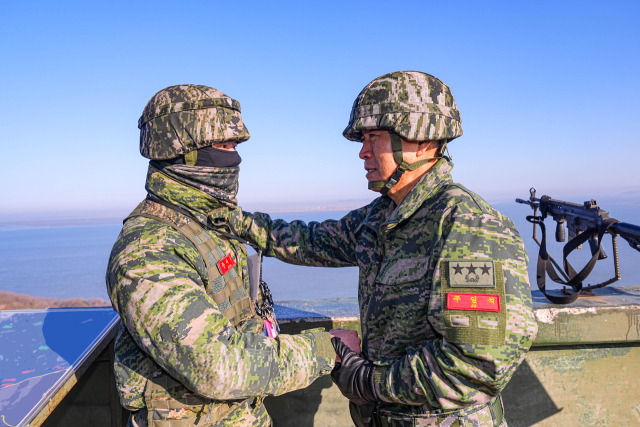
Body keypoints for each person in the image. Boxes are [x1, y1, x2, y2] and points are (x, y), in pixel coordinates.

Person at [234, 71, 539, 427]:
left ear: (423, 141)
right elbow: (307, 239)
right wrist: (228, 219)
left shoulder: (466, 225)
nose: (363, 152)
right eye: (362, 139)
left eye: (374, 137)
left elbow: (476, 365)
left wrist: (370, 382)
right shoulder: (382, 217)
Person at [105, 84, 361, 427]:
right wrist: (323, 349)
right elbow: (216, 364)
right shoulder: (147, 251)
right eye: (223, 146)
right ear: (183, 152)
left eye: (235, 146)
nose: (234, 158)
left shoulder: (207, 223)